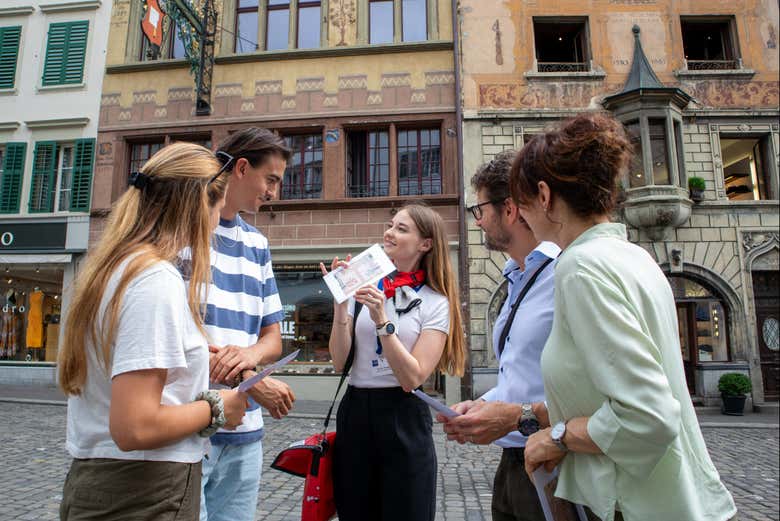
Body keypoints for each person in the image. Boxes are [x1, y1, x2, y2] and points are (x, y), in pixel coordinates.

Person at [512, 113, 737, 521]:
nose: (520, 215)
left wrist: (557, 437)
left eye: (521, 202)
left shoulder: (581, 267)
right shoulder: (632, 256)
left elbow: (647, 415)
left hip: (632, 503)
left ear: (544, 196)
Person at [58, 143, 248, 521]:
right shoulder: (155, 279)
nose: (218, 222)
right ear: (198, 206)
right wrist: (218, 408)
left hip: (104, 480)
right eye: (218, 207)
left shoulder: (117, 267)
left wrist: (189, 363)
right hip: (146, 488)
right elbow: (135, 426)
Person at [321, 203, 466, 521]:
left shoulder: (434, 301)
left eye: (402, 229)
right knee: (355, 511)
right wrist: (341, 306)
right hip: (356, 411)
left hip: (403, 414)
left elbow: (413, 378)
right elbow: (339, 362)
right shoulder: (367, 286)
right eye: (391, 225)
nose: (389, 232)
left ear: (425, 244)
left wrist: (382, 321)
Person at [442, 150, 560, 521]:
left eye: (480, 211)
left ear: (509, 209)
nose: (477, 222)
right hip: (514, 458)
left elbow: (601, 397)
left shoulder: (567, 273)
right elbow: (522, 374)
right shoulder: (515, 277)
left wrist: (512, 417)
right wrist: (482, 404)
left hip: (558, 459)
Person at [200, 128, 296, 521]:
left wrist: (250, 357)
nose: (274, 192)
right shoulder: (185, 233)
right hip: (191, 426)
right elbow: (177, 338)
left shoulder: (258, 244)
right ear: (241, 168)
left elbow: (272, 337)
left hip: (246, 432)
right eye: (270, 179)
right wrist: (253, 374)